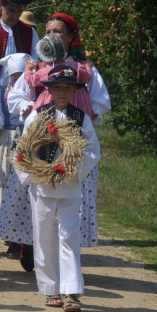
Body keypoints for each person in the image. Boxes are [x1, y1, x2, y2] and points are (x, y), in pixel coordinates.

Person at [8, 13, 110, 248]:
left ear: (71, 36)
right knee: (39, 187)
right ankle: (31, 245)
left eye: (58, 31)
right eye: (48, 31)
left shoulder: (83, 69)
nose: (52, 35)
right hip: (42, 134)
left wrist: (92, 111)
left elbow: (100, 98)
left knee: (73, 193)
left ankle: (69, 246)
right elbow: (16, 94)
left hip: (74, 136)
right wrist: (25, 107)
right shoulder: (35, 68)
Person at [16, 65, 100, 312]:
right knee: (44, 238)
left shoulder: (80, 117)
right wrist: (34, 175)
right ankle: (51, 288)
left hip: (70, 188)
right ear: (49, 90)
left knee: (69, 237)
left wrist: (72, 171)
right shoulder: (37, 115)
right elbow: (23, 149)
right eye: (57, 87)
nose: (62, 91)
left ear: (74, 91)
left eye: (67, 87)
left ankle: (71, 290)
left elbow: (92, 150)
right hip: (42, 187)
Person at [0, 53, 29, 232]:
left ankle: (16, 221)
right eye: (14, 77)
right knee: (2, 178)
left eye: (21, 77)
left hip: (27, 139)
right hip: (6, 141)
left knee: (21, 181)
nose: (17, 81)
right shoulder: (2, 92)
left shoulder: (32, 91)